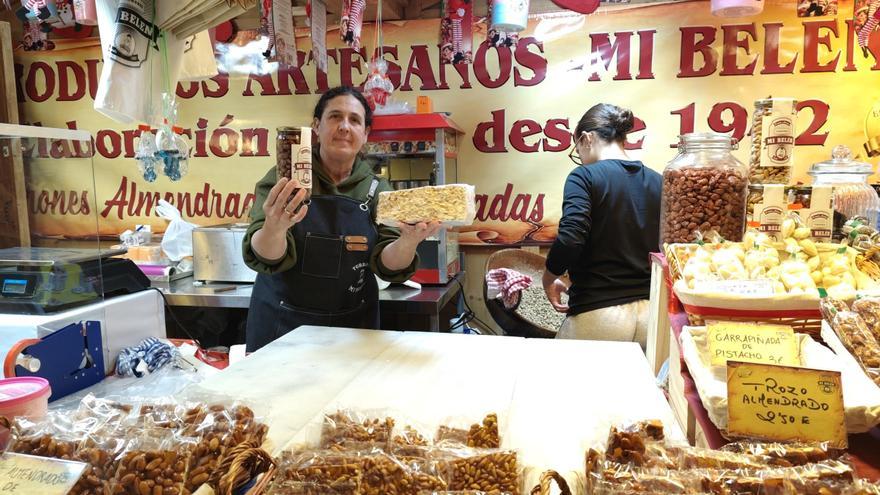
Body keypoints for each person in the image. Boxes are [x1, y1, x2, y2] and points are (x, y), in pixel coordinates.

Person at [243, 86, 440, 352]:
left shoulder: (376, 189)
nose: (344, 127)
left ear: (365, 133)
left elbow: (388, 266)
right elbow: (266, 256)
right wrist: (274, 228)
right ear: (316, 126)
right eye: (335, 116)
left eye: (354, 120)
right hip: (283, 325)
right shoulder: (285, 180)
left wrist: (408, 241)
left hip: (353, 327)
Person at [542, 103, 661, 349]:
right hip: (652, 316)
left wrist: (548, 277)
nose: (581, 158)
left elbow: (571, 237)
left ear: (586, 138)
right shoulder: (658, 181)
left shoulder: (584, 176)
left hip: (598, 314)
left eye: (578, 150)